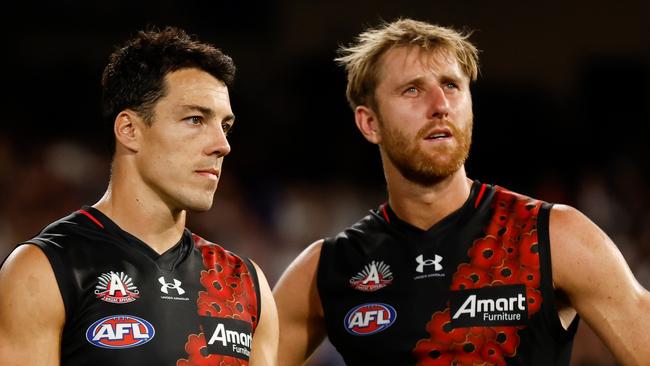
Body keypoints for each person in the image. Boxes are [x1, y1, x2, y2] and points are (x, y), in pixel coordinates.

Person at [273, 18, 650, 366]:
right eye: (412, 90)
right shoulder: (325, 269)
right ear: (370, 123)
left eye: (452, 86)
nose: (440, 106)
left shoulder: (555, 236)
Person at [0, 27, 278, 366]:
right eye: (195, 119)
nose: (222, 145)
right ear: (129, 130)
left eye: (226, 126)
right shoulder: (45, 269)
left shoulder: (246, 283)